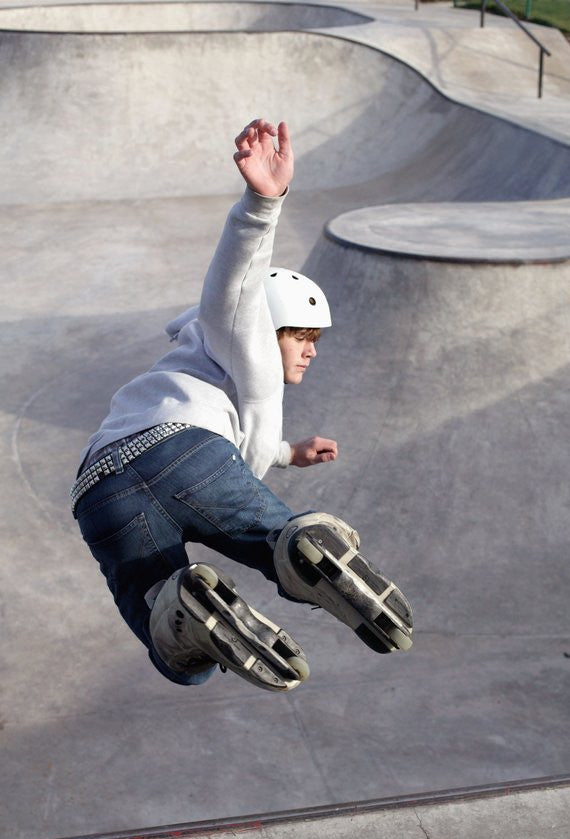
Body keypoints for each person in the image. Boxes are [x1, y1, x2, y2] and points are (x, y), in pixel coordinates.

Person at [70, 118, 413, 694]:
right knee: (273, 539)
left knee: (166, 630)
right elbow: (234, 284)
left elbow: (236, 437)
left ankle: (183, 613)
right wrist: (263, 201)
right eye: (300, 337)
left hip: (98, 492)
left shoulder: (194, 367)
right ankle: (296, 548)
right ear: (266, 324)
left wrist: (285, 453)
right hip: (187, 455)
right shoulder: (241, 334)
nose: (309, 353)